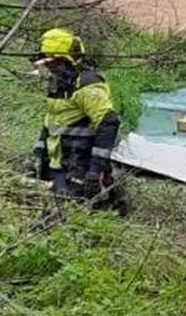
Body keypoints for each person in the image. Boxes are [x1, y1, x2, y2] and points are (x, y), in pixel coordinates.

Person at [31, 28, 121, 205]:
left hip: (81, 166)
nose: (49, 69)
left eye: (53, 63)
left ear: (67, 60)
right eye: (47, 64)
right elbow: (52, 122)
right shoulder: (59, 84)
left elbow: (108, 123)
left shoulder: (88, 85)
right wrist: (38, 156)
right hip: (58, 165)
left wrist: (96, 170)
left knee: (77, 211)